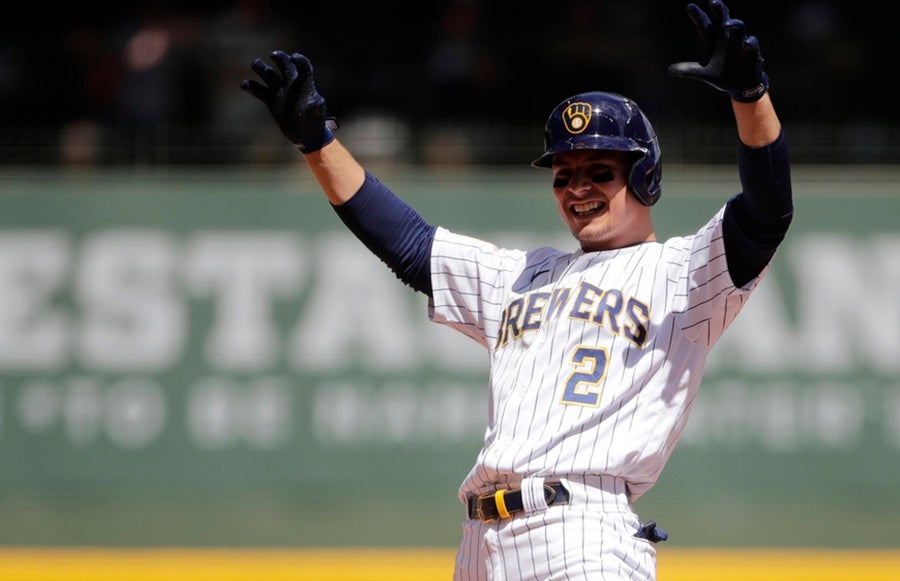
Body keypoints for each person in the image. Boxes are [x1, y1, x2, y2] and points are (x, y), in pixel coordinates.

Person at [241, 0, 792, 578]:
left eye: (600, 171)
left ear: (644, 176)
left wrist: (750, 96)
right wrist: (317, 144)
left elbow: (766, 211)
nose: (578, 189)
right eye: (564, 176)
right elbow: (408, 243)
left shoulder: (684, 273)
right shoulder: (524, 274)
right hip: (480, 546)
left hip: (581, 535)